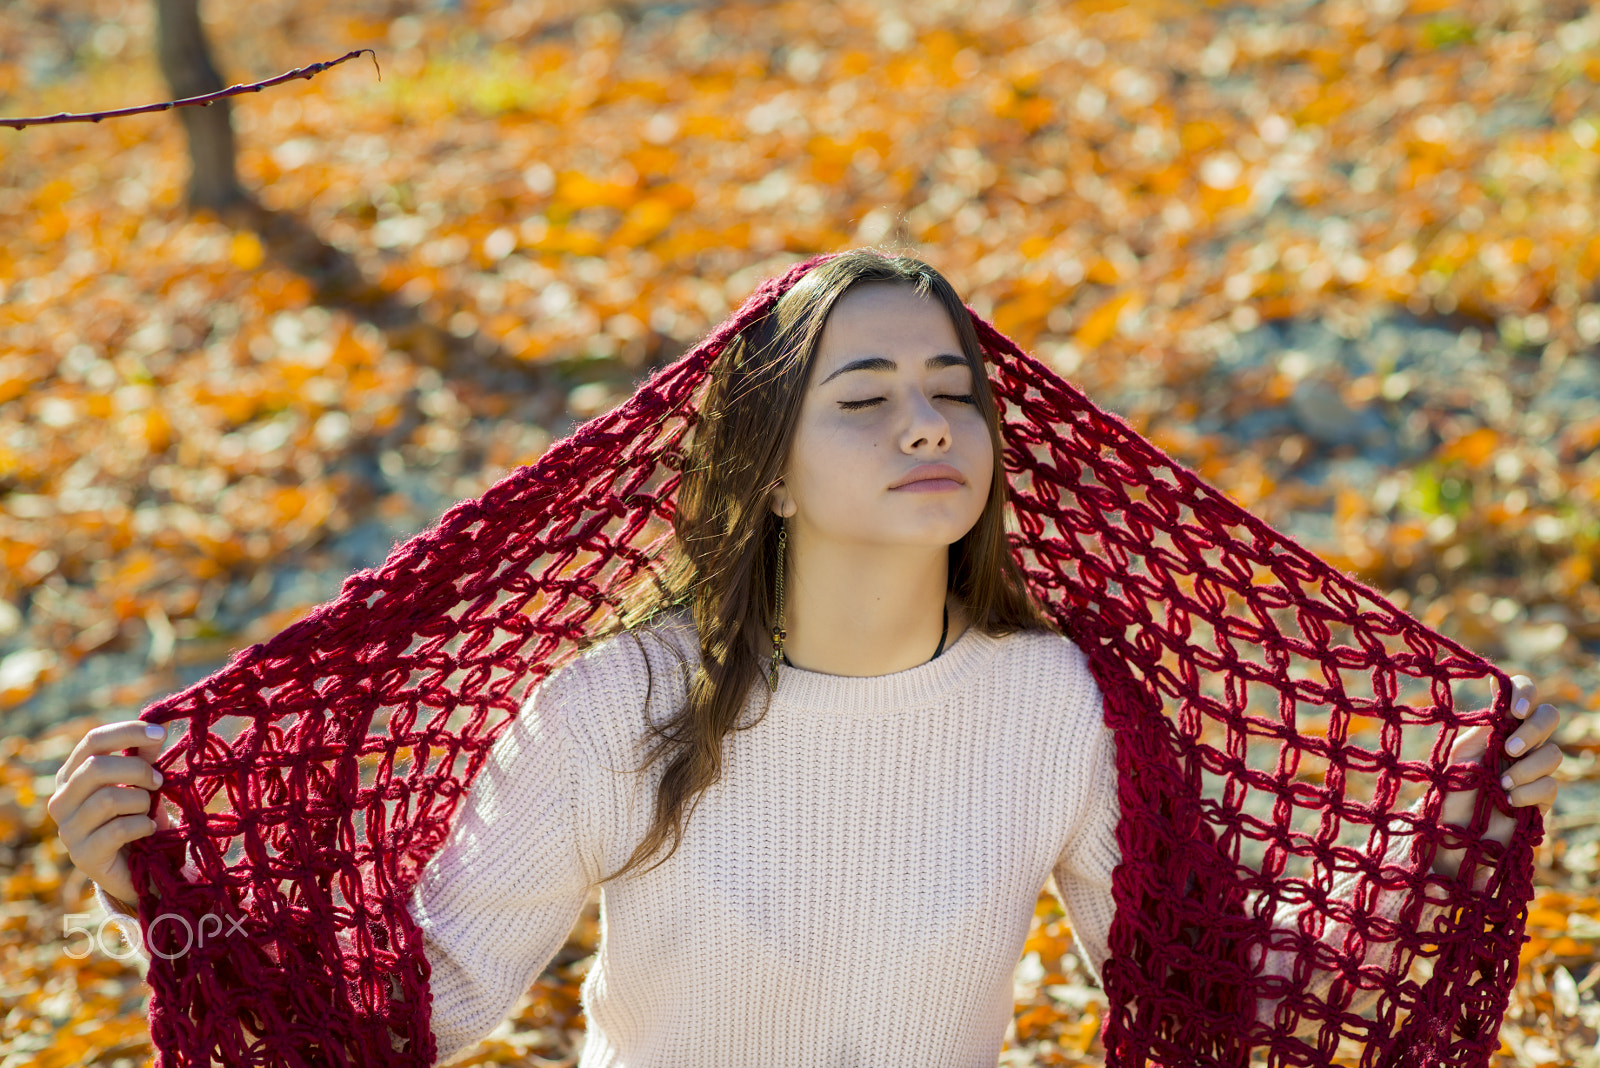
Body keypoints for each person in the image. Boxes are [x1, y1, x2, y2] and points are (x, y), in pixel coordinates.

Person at [49, 250, 1565, 1065]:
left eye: (952, 391)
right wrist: (163, 902)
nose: (926, 423)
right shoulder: (613, 705)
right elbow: (421, 1006)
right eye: (864, 397)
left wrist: (1442, 856)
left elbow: (1207, 997)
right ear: (767, 469)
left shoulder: (1058, 703)